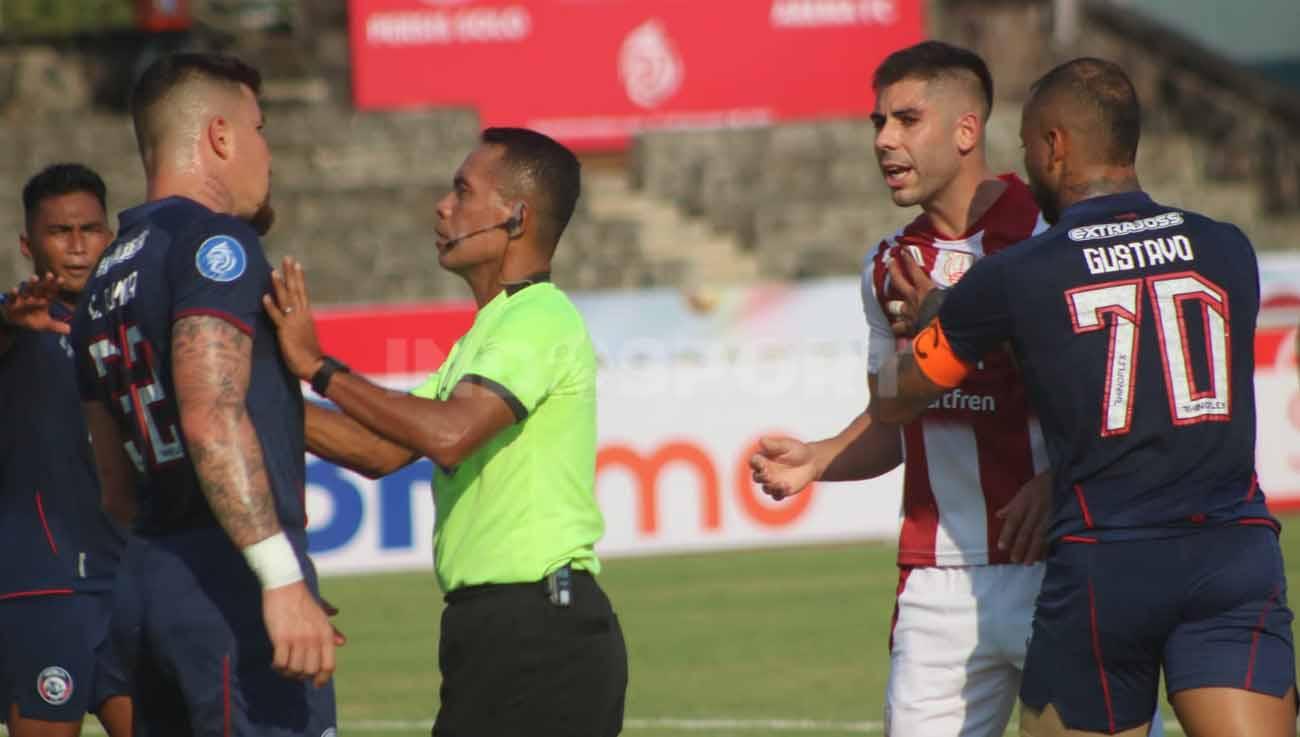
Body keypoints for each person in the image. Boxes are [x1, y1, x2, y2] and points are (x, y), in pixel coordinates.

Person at [874, 57, 1296, 737]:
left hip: (1107, 565)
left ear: (1055, 146)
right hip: (1232, 553)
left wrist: (934, 321)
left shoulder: (1018, 275)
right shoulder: (1226, 248)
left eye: (1027, 148)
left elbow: (902, 397)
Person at [261, 126, 628, 737]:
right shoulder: (487, 333)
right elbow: (380, 451)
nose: (442, 206)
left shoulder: (538, 319)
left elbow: (451, 433)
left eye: (462, 191)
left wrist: (318, 369)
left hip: (539, 629)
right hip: (497, 628)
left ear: (514, 218)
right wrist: (252, 400)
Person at [748, 41, 1066, 737]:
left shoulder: (1049, 236)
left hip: (1059, 561)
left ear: (965, 131)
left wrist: (1062, 478)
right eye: (877, 123)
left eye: (907, 119)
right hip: (936, 580)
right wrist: (821, 457)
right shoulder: (887, 265)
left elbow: (1110, 395)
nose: (885, 140)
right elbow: (893, 419)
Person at [70, 53, 340, 736]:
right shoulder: (214, 242)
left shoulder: (103, 275)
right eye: (260, 128)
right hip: (224, 580)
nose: (266, 151)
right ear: (220, 136)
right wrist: (278, 575)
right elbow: (210, 412)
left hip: (146, 578)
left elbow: (115, 484)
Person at [0, 164, 131, 737]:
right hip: (42, 585)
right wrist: (9, 323)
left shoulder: (127, 327)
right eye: (60, 233)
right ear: (29, 245)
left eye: (90, 230)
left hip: (128, 579)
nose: (77, 248)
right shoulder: (18, 319)